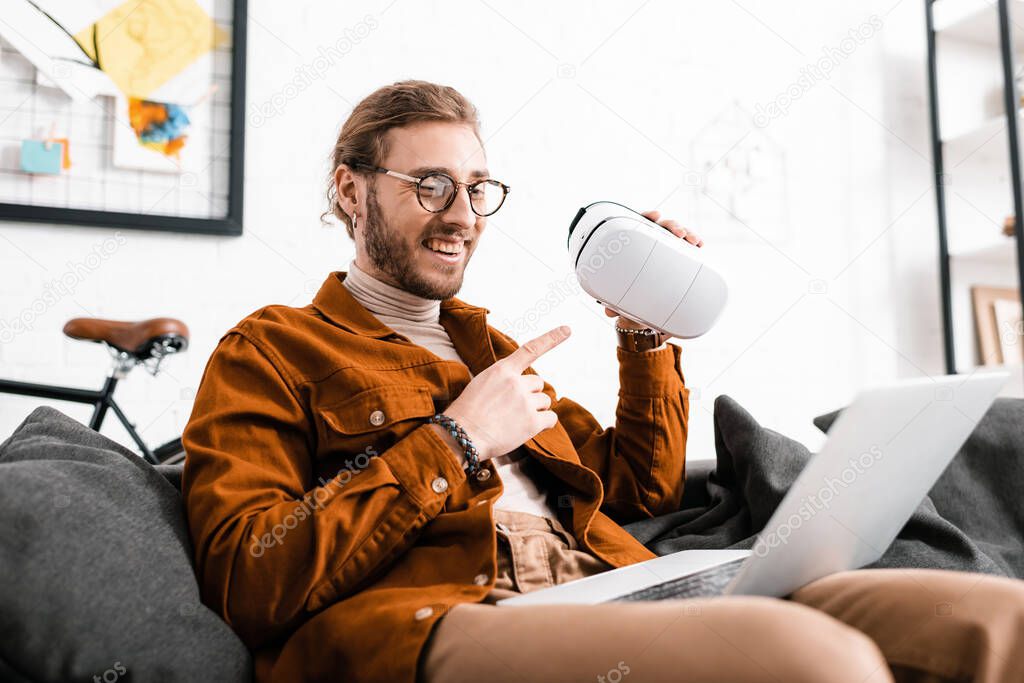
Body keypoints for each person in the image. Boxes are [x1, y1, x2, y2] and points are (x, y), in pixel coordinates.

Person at [181, 79, 1024, 683]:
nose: (463, 214)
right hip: (442, 620)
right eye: (430, 184)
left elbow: (638, 486)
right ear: (351, 190)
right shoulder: (270, 350)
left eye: (478, 189)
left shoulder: (493, 349)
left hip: (606, 587)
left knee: (994, 620)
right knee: (813, 661)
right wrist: (457, 440)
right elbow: (251, 579)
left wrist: (643, 328)